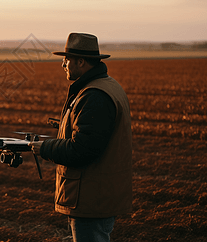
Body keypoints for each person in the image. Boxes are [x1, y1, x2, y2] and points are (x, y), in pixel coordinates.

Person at [29, 33, 132, 242]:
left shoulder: (94, 96)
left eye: (66, 59)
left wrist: (45, 148)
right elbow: (92, 132)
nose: (63, 65)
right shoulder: (105, 86)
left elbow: (82, 149)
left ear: (81, 61)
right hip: (94, 196)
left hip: (92, 199)